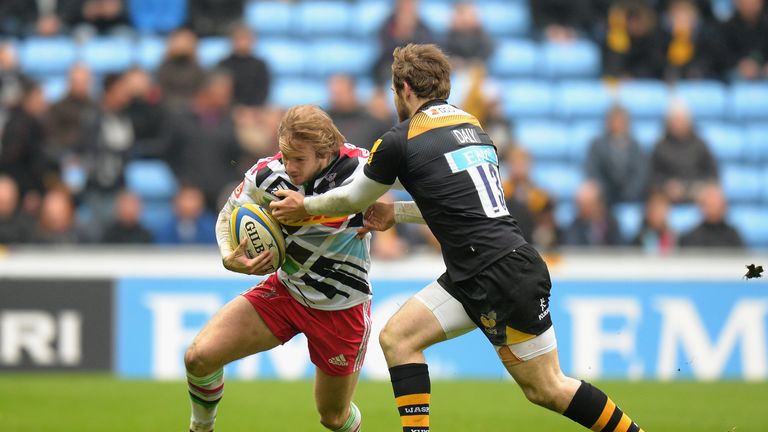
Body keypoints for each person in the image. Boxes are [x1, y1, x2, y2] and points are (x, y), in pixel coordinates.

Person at [271, 44, 645, 432]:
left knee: (547, 388)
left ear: (404, 88)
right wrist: (395, 212)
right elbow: (460, 206)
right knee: (399, 338)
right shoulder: (474, 129)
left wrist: (306, 206)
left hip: (497, 272)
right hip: (489, 266)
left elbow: (352, 197)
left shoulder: (400, 138)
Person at [183, 105, 372, 432]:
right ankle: (200, 429)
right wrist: (229, 254)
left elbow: (424, 189)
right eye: (285, 155)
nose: (289, 166)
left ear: (326, 152)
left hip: (341, 308)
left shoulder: (363, 170)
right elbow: (228, 213)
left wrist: (396, 213)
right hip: (286, 292)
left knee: (333, 417)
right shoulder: (266, 175)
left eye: (299, 159)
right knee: (199, 357)